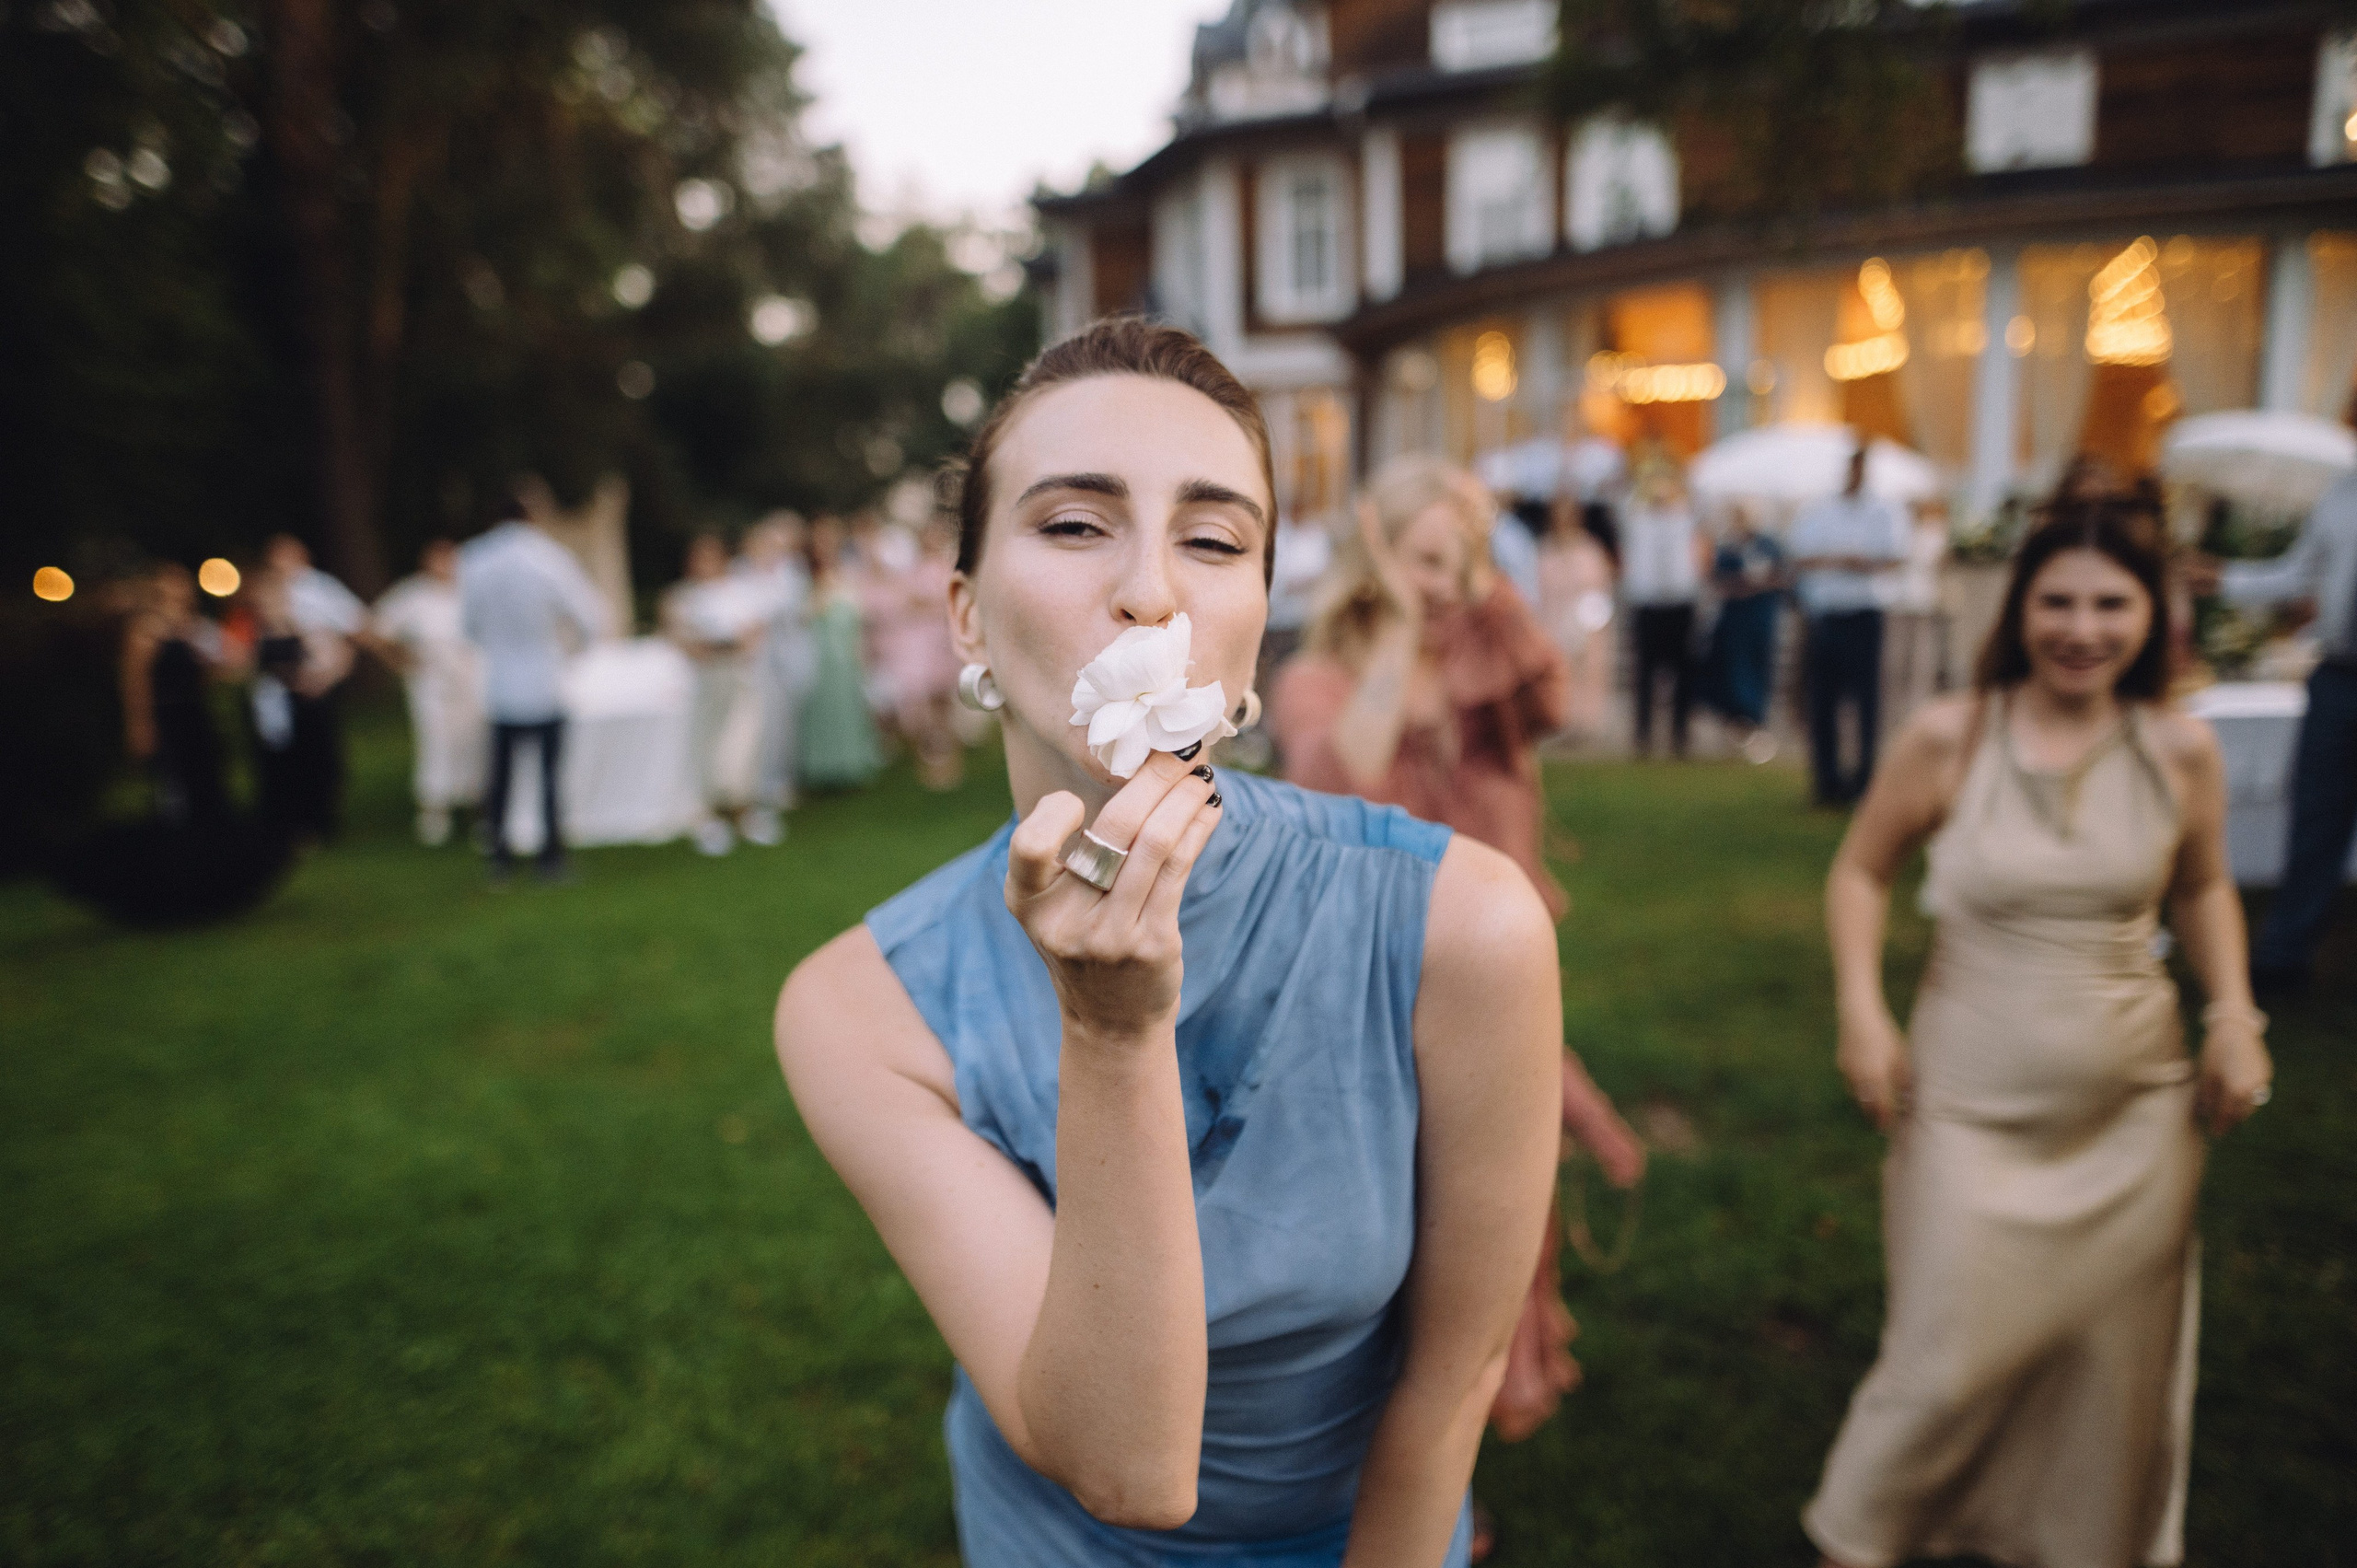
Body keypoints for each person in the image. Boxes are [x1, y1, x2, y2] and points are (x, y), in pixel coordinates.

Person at [774, 319, 1562, 1567]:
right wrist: (1112, 1030)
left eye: (1212, 538)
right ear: (968, 620)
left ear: (1251, 631)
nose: (1152, 586)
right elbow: (1124, 1466)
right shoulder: (856, 1009)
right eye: (1076, 523)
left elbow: (1451, 1382)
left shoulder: (1465, 926)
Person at [1804, 496, 2273, 1568]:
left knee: (2110, 1375)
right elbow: (1860, 870)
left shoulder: (2178, 748)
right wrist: (1860, 1010)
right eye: (2057, 600)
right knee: (1939, 1359)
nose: (2081, 627)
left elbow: (2202, 886)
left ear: (2153, 614)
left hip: (2134, 1113)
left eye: (2111, 603)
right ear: (2020, 609)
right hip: (1966, 1097)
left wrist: (2233, 1014)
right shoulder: (1949, 733)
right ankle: (1858, 1541)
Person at [1267, 455, 1645, 1515]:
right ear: (1375, 553)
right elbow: (1335, 776)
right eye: (1424, 558)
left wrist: (1489, 591)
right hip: (1379, 991)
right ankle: (1403, 1457)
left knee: (1494, 1200)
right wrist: (1392, 618)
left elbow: (1552, 699)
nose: (1445, 583)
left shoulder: (1478, 664)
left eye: (1461, 559)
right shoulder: (1320, 674)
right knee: (1410, 1219)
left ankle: (1481, 1396)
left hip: (1496, 972)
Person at [2200, 389, 2357, 995]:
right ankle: (2283, 956)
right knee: (2315, 817)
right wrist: (2223, 577)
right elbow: (2297, 574)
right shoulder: (2341, 493)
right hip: (2339, 677)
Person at [459, 494, 606, 881]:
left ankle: (500, 857)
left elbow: (468, 626)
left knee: (501, 774)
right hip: (544, 678)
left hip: (500, 682)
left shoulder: (475, 558)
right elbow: (590, 616)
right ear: (532, 517)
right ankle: (550, 856)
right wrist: (570, 654)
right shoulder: (549, 557)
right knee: (549, 774)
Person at [1790, 441, 1910, 806]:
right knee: (1822, 700)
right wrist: (1842, 561)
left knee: (1866, 701)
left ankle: (1864, 780)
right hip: (1826, 614)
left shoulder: (1884, 510)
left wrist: (1852, 562)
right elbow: (1802, 556)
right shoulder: (1819, 509)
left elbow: (1893, 557)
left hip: (1864, 614)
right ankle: (1826, 781)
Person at [370, 540, 485, 846]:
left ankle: (479, 808)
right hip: (431, 678)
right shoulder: (413, 594)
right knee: (434, 740)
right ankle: (435, 810)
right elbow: (376, 627)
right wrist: (400, 660)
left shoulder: (472, 591)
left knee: (474, 740)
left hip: (471, 675)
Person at [245, 540, 360, 842]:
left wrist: (319, 679)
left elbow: (335, 654)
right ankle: (282, 824)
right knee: (279, 769)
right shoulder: (256, 631)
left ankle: (316, 823)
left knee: (315, 762)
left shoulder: (300, 626)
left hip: (304, 704)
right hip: (273, 708)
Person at [664, 532, 769, 855]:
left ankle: (744, 811)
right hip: (706, 681)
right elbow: (682, 639)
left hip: (739, 677)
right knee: (707, 746)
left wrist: (732, 646)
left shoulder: (741, 591)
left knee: (742, 743)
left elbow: (754, 634)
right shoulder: (682, 597)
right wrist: (710, 647)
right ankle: (710, 816)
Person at [121, 563, 232, 825]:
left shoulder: (195, 627)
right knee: (172, 786)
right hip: (166, 715)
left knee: (205, 776)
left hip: (195, 712)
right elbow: (136, 681)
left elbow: (220, 666)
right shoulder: (146, 629)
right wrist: (140, 725)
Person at [863, 516, 967, 790]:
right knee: (924, 704)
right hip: (923, 644)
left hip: (942, 642)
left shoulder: (948, 567)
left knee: (942, 702)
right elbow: (905, 604)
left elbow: (950, 600)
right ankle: (932, 759)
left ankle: (948, 759)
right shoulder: (913, 570)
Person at [1620, 459, 1707, 759]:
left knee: (1682, 669)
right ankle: (1643, 734)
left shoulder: (1687, 520)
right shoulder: (1638, 520)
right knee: (1644, 670)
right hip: (1648, 602)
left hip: (1680, 602)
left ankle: (1679, 734)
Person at [739, 513, 814, 841]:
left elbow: (792, 609)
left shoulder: (791, 573)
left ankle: (782, 780)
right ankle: (761, 785)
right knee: (761, 725)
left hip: (788, 658)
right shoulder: (741, 574)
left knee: (784, 723)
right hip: (755, 664)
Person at [795, 516, 883, 791]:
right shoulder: (802, 574)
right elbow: (802, 615)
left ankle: (850, 765)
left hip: (846, 651)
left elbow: (859, 609)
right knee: (822, 710)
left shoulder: (848, 569)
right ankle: (821, 769)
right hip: (819, 652)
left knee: (849, 706)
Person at [1700, 503, 1788, 762]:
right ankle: (1737, 721)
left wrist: (1759, 583)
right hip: (1736, 622)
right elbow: (1717, 579)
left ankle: (1755, 722)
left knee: (1758, 667)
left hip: (1760, 620)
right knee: (1734, 670)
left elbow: (1783, 577)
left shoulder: (1769, 545)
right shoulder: (1728, 547)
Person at [1535, 494, 1619, 741]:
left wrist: (1588, 623)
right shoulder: (1546, 549)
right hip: (1554, 620)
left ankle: (1585, 725)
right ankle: (1560, 721)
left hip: (1587, 624)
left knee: (1588, 672)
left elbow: (1600, 590)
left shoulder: (1590, 550)